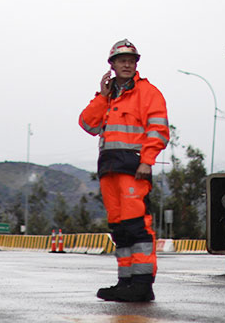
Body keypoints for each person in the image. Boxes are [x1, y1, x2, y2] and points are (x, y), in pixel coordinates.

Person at [78, 39, 169, 303]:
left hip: (133, 168)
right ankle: (125, 282)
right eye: (121, 60)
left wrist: (147, 161)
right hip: (109, 169)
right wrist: (102, 96)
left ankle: (142, 284)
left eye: (131, 60)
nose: (127, 64)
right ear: (112, 65)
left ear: (136, 64)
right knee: (120, 229)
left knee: (137, 226)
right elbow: (87, 124)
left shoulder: (148, 92)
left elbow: (159, 130)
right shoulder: (108, 97)